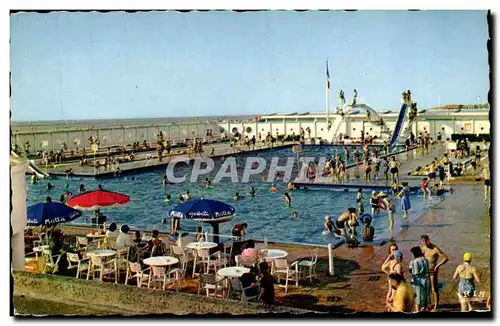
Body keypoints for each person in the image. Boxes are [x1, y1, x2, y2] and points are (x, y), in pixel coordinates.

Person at [421, 235, 449, 311]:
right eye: (423, 241)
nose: (425, 243)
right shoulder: (423, 248)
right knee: (426, 288)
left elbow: (446, 258)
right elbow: (421, 257)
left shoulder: (435, 249)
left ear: (429, 240)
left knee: (434, 289)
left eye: (426, 241)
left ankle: (436, 306)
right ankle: (428, 304)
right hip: (425, 271)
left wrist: (437, 266)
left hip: (432, 271)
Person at [409, 246, 431, 312]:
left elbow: (413, 272)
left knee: (417, 298)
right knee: (426, 297)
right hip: (426, 279)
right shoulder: (426, 260)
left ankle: (417, 312)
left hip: (417, 280)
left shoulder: (413, 262)